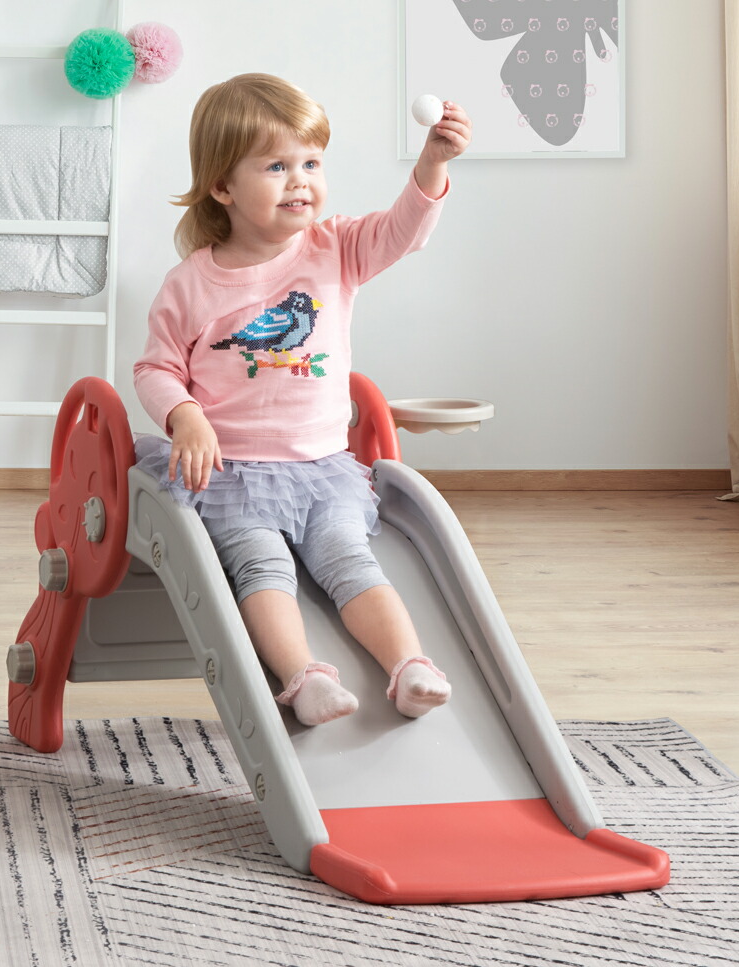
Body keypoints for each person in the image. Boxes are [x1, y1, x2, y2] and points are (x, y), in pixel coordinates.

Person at [133, 73, 472, 727]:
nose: (300, 181)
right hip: (233, 475)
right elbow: (156, 367)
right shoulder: (191, 283)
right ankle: (303, 677)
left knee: (351, 560)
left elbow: (402, 231)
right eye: (277, 166)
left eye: (312, 163)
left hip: (323, 470)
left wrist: (432, 163)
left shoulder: (335, 248)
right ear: (223, 187)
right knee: (260, 566)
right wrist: (185, 415)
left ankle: (409, 665)